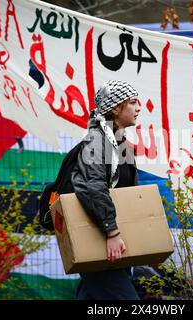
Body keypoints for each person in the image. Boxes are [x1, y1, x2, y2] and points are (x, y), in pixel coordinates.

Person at [70, 80, 141, 300]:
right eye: (133, 102)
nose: (139, 107)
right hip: (101, 239)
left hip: (113, 243)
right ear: (115, 108)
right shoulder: (96, 141)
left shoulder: (119, 141)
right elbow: (94, 187)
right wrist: (112, 232)